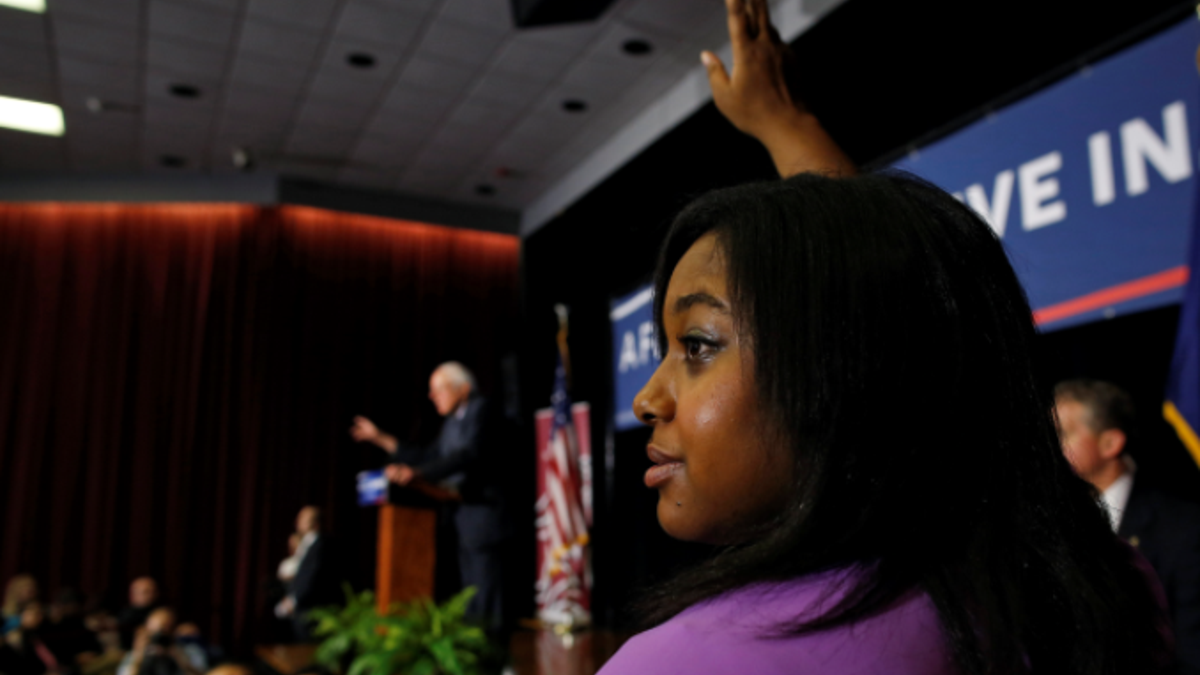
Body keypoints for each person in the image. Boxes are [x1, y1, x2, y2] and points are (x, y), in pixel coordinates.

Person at [598, 1, 1171, 673]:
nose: (646, 398)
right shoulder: (1108, 582)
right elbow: (897, 301)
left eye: (696, 345)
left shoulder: (683, 661)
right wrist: (789, 126)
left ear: (842, 376)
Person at [350, 361, 509, 632]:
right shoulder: (450, 424)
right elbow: (429, 456)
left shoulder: (484, 409)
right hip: (464, 520)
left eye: (439, 389)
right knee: (471, 599)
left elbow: (468, 455)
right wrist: (381, 439)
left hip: (486, 518)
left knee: (487, 600)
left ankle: (496, 661)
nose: (432, 396)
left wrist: (418, 473)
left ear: (464, 388)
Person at [1056, 379, 1200, 674]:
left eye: (1061, 434)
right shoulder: (1054, 527)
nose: (1049, 449)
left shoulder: (1184, 528)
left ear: (1110, 443)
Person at [274, 506, 339, 642]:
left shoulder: (320, 545)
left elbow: (310, 577)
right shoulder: (307, 543)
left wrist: (293, 600)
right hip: (301, 608)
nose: (298, 522)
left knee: (307, 652)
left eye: (303, 519)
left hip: (310, 610)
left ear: (315, 523)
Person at [115, 608, 205, 675]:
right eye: (154, 633)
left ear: (174, 630)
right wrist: (138, 657)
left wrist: (181, 659)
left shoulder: (190, 650)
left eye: (165, 632)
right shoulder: (138, 652)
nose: (159, 638)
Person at [116, 578, 159, 651]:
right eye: (145, 592)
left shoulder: (161, 610)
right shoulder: (126, 615)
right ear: (132, 594)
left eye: (152, 592)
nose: (150, 595)